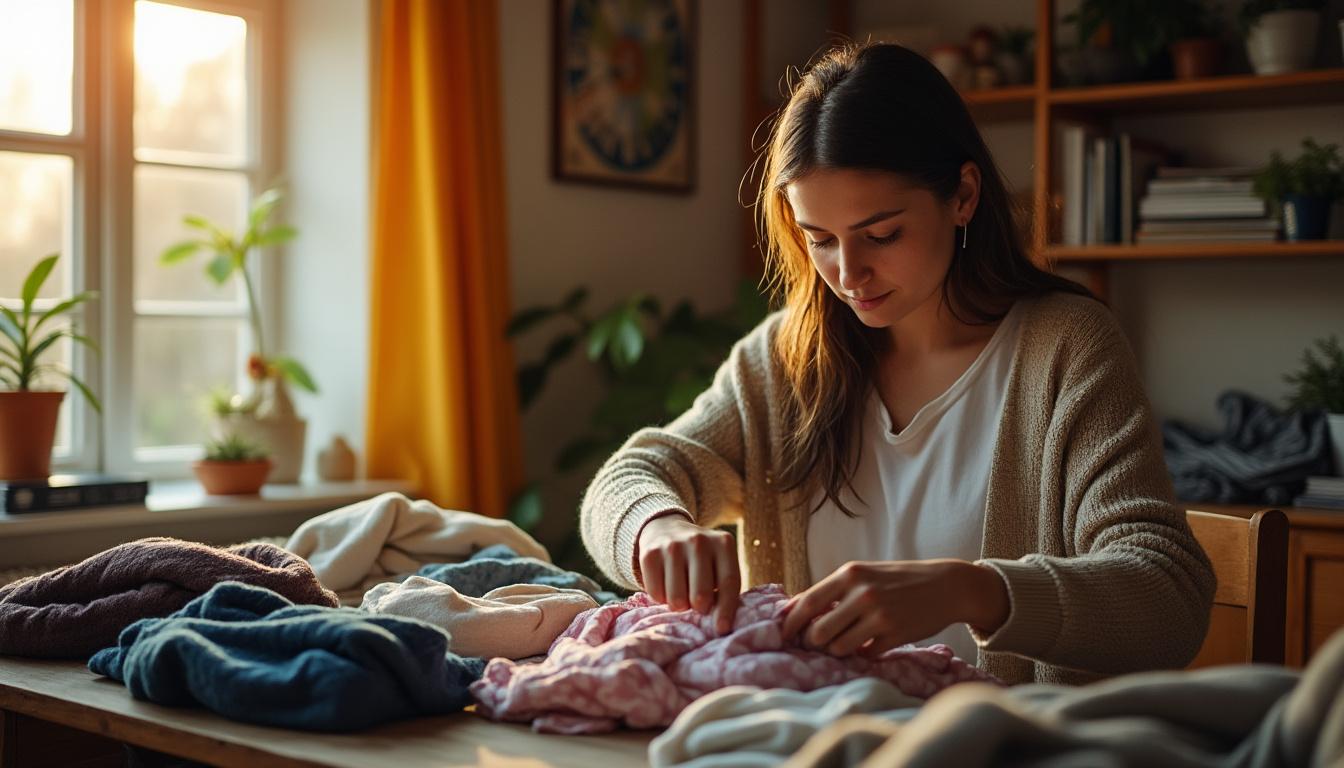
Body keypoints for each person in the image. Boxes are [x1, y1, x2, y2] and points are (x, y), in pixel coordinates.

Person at [578, 42, 1214, 685]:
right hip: (814, 743)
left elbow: (1170, 599)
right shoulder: (786, 360)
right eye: (820, 239)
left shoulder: (1065, 350)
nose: (848, 274)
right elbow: (633, 475)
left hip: (1003, 747)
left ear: (963, 195)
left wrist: (970, 591)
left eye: (881, 234)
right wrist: (656, 528)